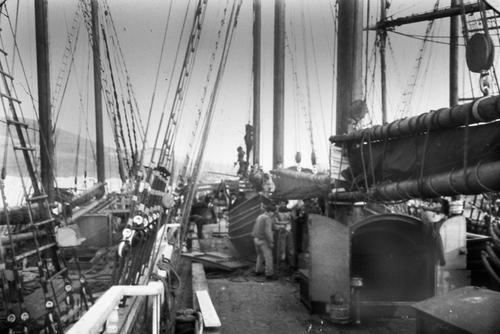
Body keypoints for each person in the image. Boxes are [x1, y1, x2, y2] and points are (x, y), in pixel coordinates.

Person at [252, 204, 277, 281]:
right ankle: (269, 275)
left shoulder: (260, 216)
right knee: (269, 258)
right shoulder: (267, 218)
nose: (273, 214)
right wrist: (271, 242)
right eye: (273, 212)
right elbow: (267, 231)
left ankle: (258, 271)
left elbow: (255, 228)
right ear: (269, 212)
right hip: (264, 240)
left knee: (260, 256)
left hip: (256, 239)